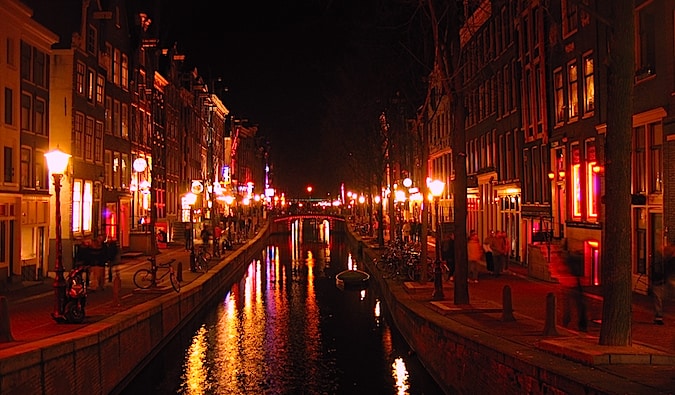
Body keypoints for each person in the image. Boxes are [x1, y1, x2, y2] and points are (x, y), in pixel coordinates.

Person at [555, 251, 588, 332]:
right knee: (579, 305)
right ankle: (582, 324)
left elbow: (561, 270)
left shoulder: (568, 261)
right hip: (576, 283)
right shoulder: (576, 261)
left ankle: (566, 321)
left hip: (569, 284)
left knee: (567, 305)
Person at [652, 243, 674, 325]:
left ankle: (659, 316)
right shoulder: (664, 258)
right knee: (659, 298)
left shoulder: (662, 258)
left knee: (658, 298)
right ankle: (659, 317)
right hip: (661, 281)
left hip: (660, 281)